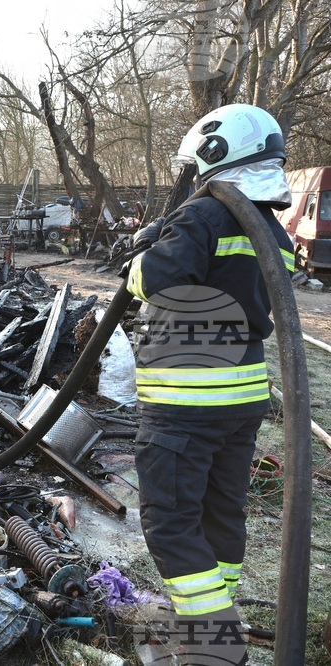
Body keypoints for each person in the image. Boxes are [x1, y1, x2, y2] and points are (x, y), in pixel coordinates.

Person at [124, 104, 295, 664]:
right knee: (222, 512)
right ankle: (211, 609)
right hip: (241, 402)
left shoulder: (202, 217)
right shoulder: (272, 228)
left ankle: (215, 643)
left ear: (214, 154)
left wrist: (147, 248)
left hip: (185, 405)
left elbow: (154, 280)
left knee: (171, 523)